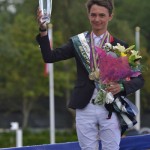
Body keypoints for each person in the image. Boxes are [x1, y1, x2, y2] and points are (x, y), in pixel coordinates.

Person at [36, 0, 144, 149]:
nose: (97, 19)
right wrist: (43, 30)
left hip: (110, 108)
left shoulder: (121, 46)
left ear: (110, 16)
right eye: (93, 15)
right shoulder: (78, 43)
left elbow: (139, 80)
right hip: (84, 107)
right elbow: (49, 57)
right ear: (88, 16)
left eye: (102, 15)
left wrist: (121, 86)